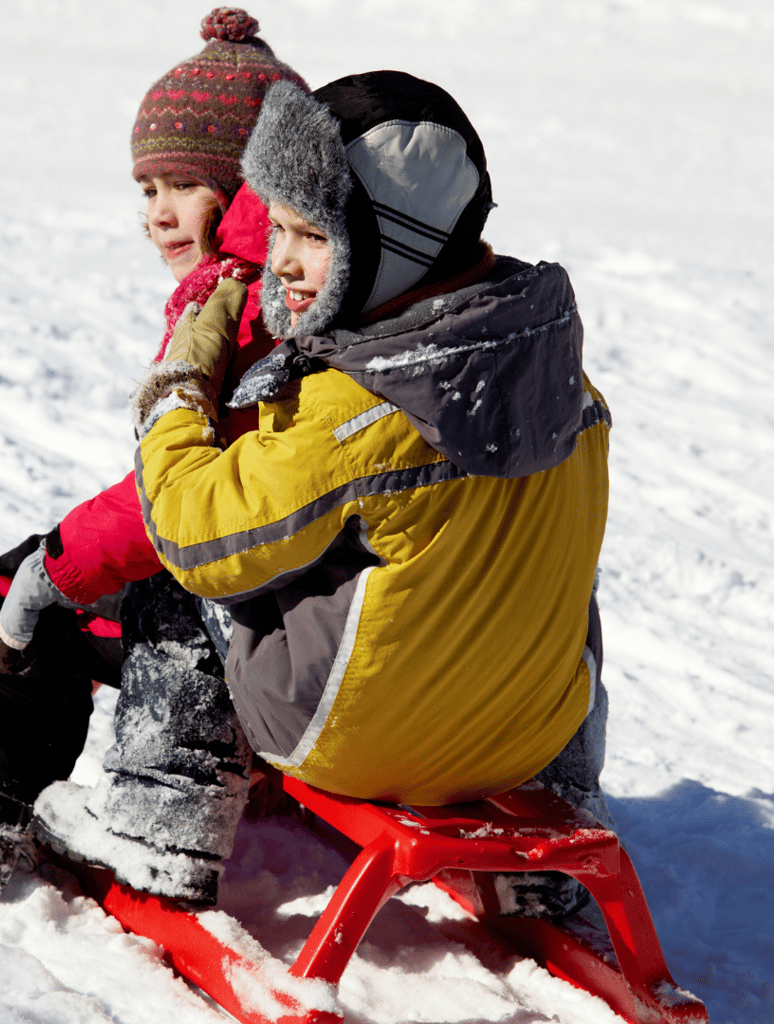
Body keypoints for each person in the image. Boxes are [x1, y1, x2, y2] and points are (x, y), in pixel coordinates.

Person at [45, 71, 616, 918]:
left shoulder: (355, 406)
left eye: (311, 235)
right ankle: (551, 841)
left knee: (185, 573)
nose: (280, 263)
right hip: (524, 737)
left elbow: (193, 531)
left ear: (399, 242)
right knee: (543, 571)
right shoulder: (568, 384)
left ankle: (158, 832)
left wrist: (177, 395)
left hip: (352, 739)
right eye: (276, 228)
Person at [0, 8, 306, 905]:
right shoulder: (314, 274)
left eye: (178, 187)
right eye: (144, 192)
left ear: (242, 184)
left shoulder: (250, 298)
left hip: (246, 602)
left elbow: (191, 493)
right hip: (298, 602)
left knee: (8, 601)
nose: (155, 216)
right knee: (52, 576)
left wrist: (59, 569)